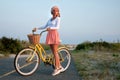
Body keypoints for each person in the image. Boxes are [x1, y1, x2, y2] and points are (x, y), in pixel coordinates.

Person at [33, 6, 64, 76]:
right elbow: (44, 26)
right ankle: (60, 66)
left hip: (54, 34)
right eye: (53, 10)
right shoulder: (50, 19)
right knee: (53, 52)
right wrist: (37, 28)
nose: (54, 11)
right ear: (51, 11)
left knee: (55, 52)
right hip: (49, 35)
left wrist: (50, 28)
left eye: (56, 10)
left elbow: (57, 27)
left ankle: (57, 68)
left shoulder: (58, 18)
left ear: (57, 12)